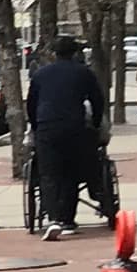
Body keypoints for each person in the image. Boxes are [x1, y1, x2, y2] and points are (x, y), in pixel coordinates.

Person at [25, 36, 106, 241]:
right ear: (75, 53)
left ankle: (53, 218)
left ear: (54, 53)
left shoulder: (41, 74)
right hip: (74, 126)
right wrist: (95, 124)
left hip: (47, 127)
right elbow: (97, 100)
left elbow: (31, 104)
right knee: (70, 172)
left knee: (49, 174)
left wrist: (36, 126)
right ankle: (68, 219)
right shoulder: (83, 73)